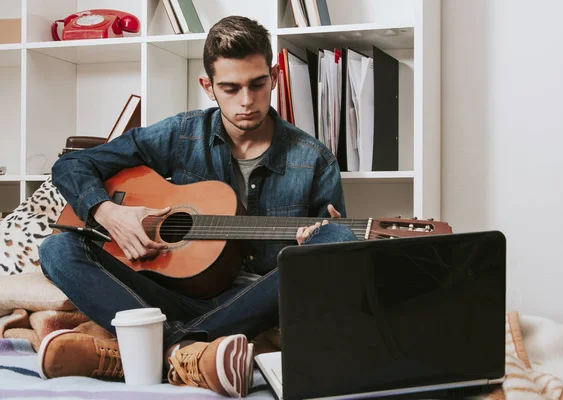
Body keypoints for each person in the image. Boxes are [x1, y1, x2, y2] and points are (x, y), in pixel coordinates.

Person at [38, 15, 357, 398]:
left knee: (338, 237)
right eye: (230, 87)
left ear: (273, 75)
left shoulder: (315, 159)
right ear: (208, 86)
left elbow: (330, 282)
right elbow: (71, 165)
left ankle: (158, 348)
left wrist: (319, 250)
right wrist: (109, 212)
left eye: (258, 84)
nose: (246, 101)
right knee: (57, 247)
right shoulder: (182, 133)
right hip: (169, 295)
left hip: (258, 303)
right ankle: (184, 349)